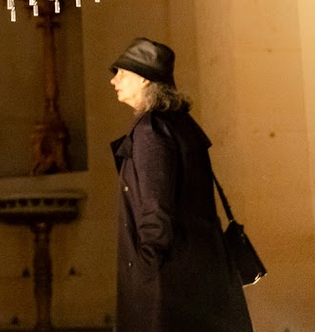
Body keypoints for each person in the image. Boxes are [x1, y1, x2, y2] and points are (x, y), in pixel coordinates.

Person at [108, 37, 253, 332]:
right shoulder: (181, 124)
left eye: (123, 72)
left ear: (145, 78)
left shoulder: (150, 130)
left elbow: (156, 209)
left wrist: (146, 269)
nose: (114, 81)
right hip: (200, 270)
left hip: (169, 281)